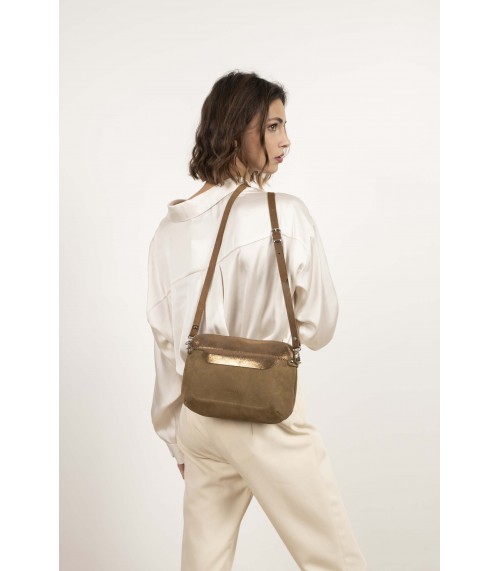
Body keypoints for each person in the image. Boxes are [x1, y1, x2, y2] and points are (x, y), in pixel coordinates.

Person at [147, 70, 368, 571]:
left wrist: (176, 440)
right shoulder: (282, 214)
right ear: (234, 131)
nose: (286, 140)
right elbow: (320, 327)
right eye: (272, 126)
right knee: (334, 559)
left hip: (198, 418)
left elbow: (164, 346)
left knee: (203, 563)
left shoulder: (166, 233)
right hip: (264, 412)